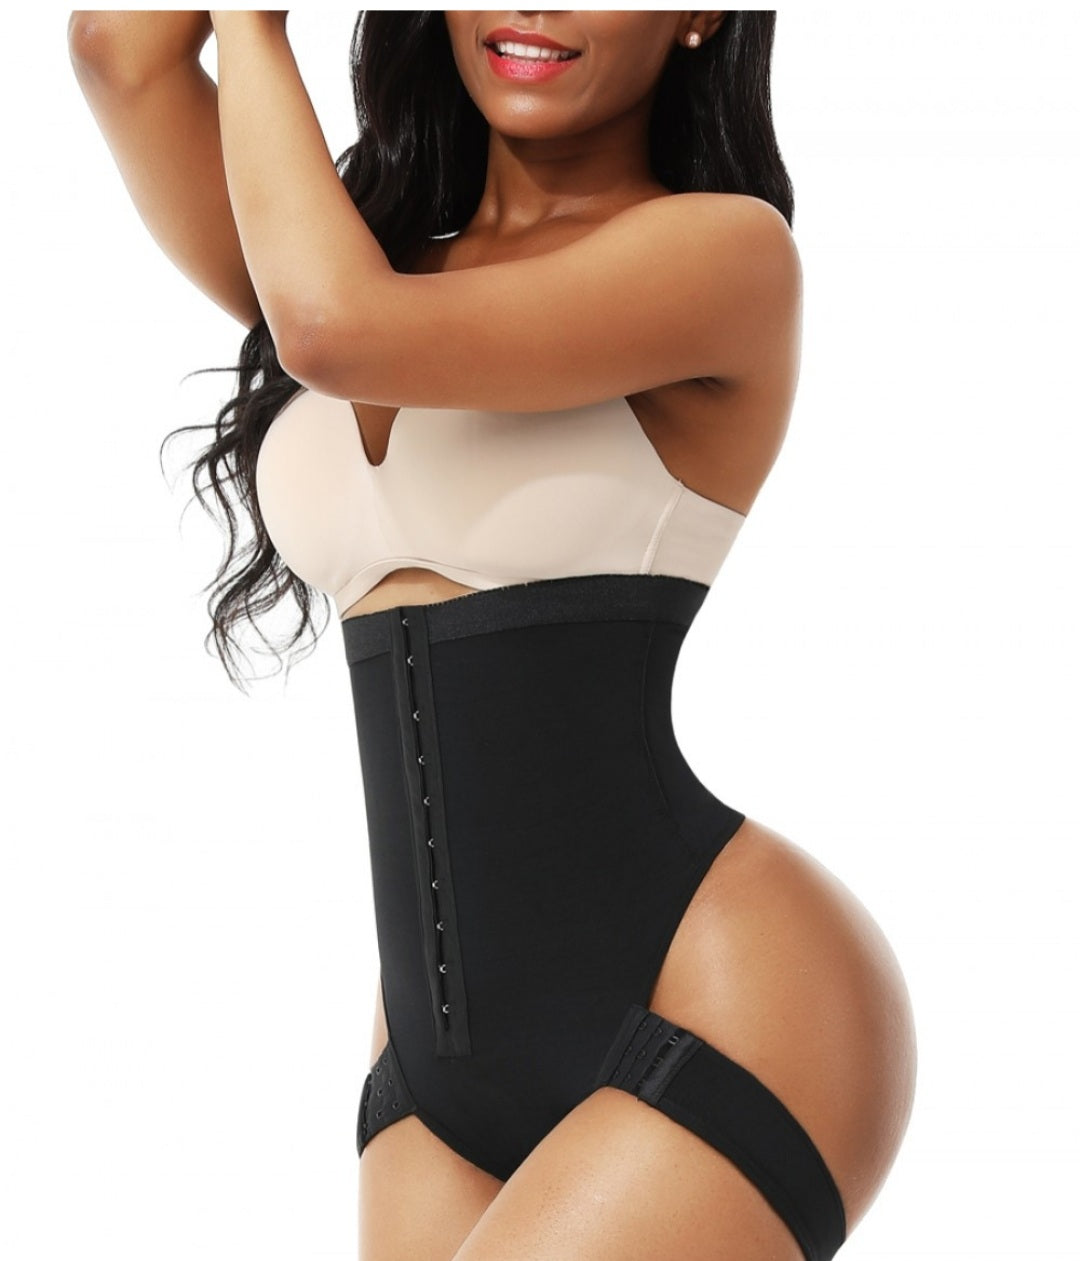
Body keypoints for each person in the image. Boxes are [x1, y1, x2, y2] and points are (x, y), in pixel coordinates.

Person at [69, 10, 918, 1260]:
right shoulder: (362, 249)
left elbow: (331, 330)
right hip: (430, 1047)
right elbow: (119, 50)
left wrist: (251, 18)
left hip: (721, 992)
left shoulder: (724, 257)